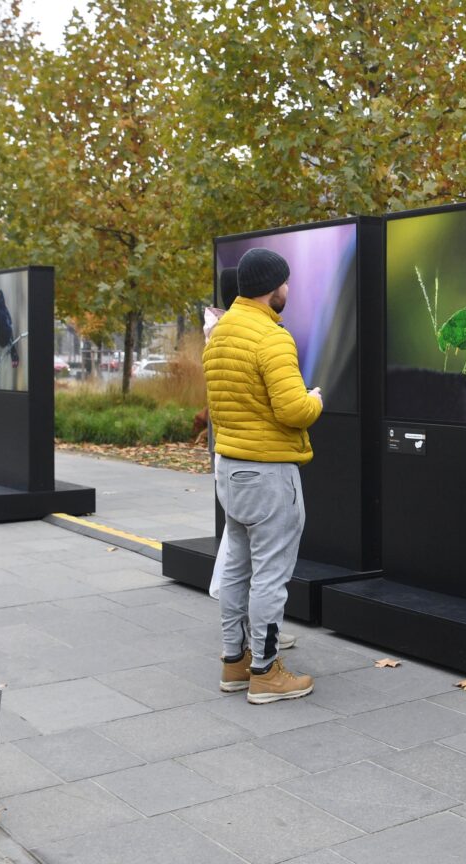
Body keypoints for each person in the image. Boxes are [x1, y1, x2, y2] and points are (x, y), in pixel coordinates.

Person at [203, 247, 323, 704]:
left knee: (235, 566)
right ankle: (266, 673)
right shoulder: (271, 337)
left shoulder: (221, 333)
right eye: (286, 283)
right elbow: (293, 410)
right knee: (270, 574)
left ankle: (234, 662)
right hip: (269, 473)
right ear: (274, 288)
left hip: (230, 471)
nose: (288, 290)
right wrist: (316, 398)